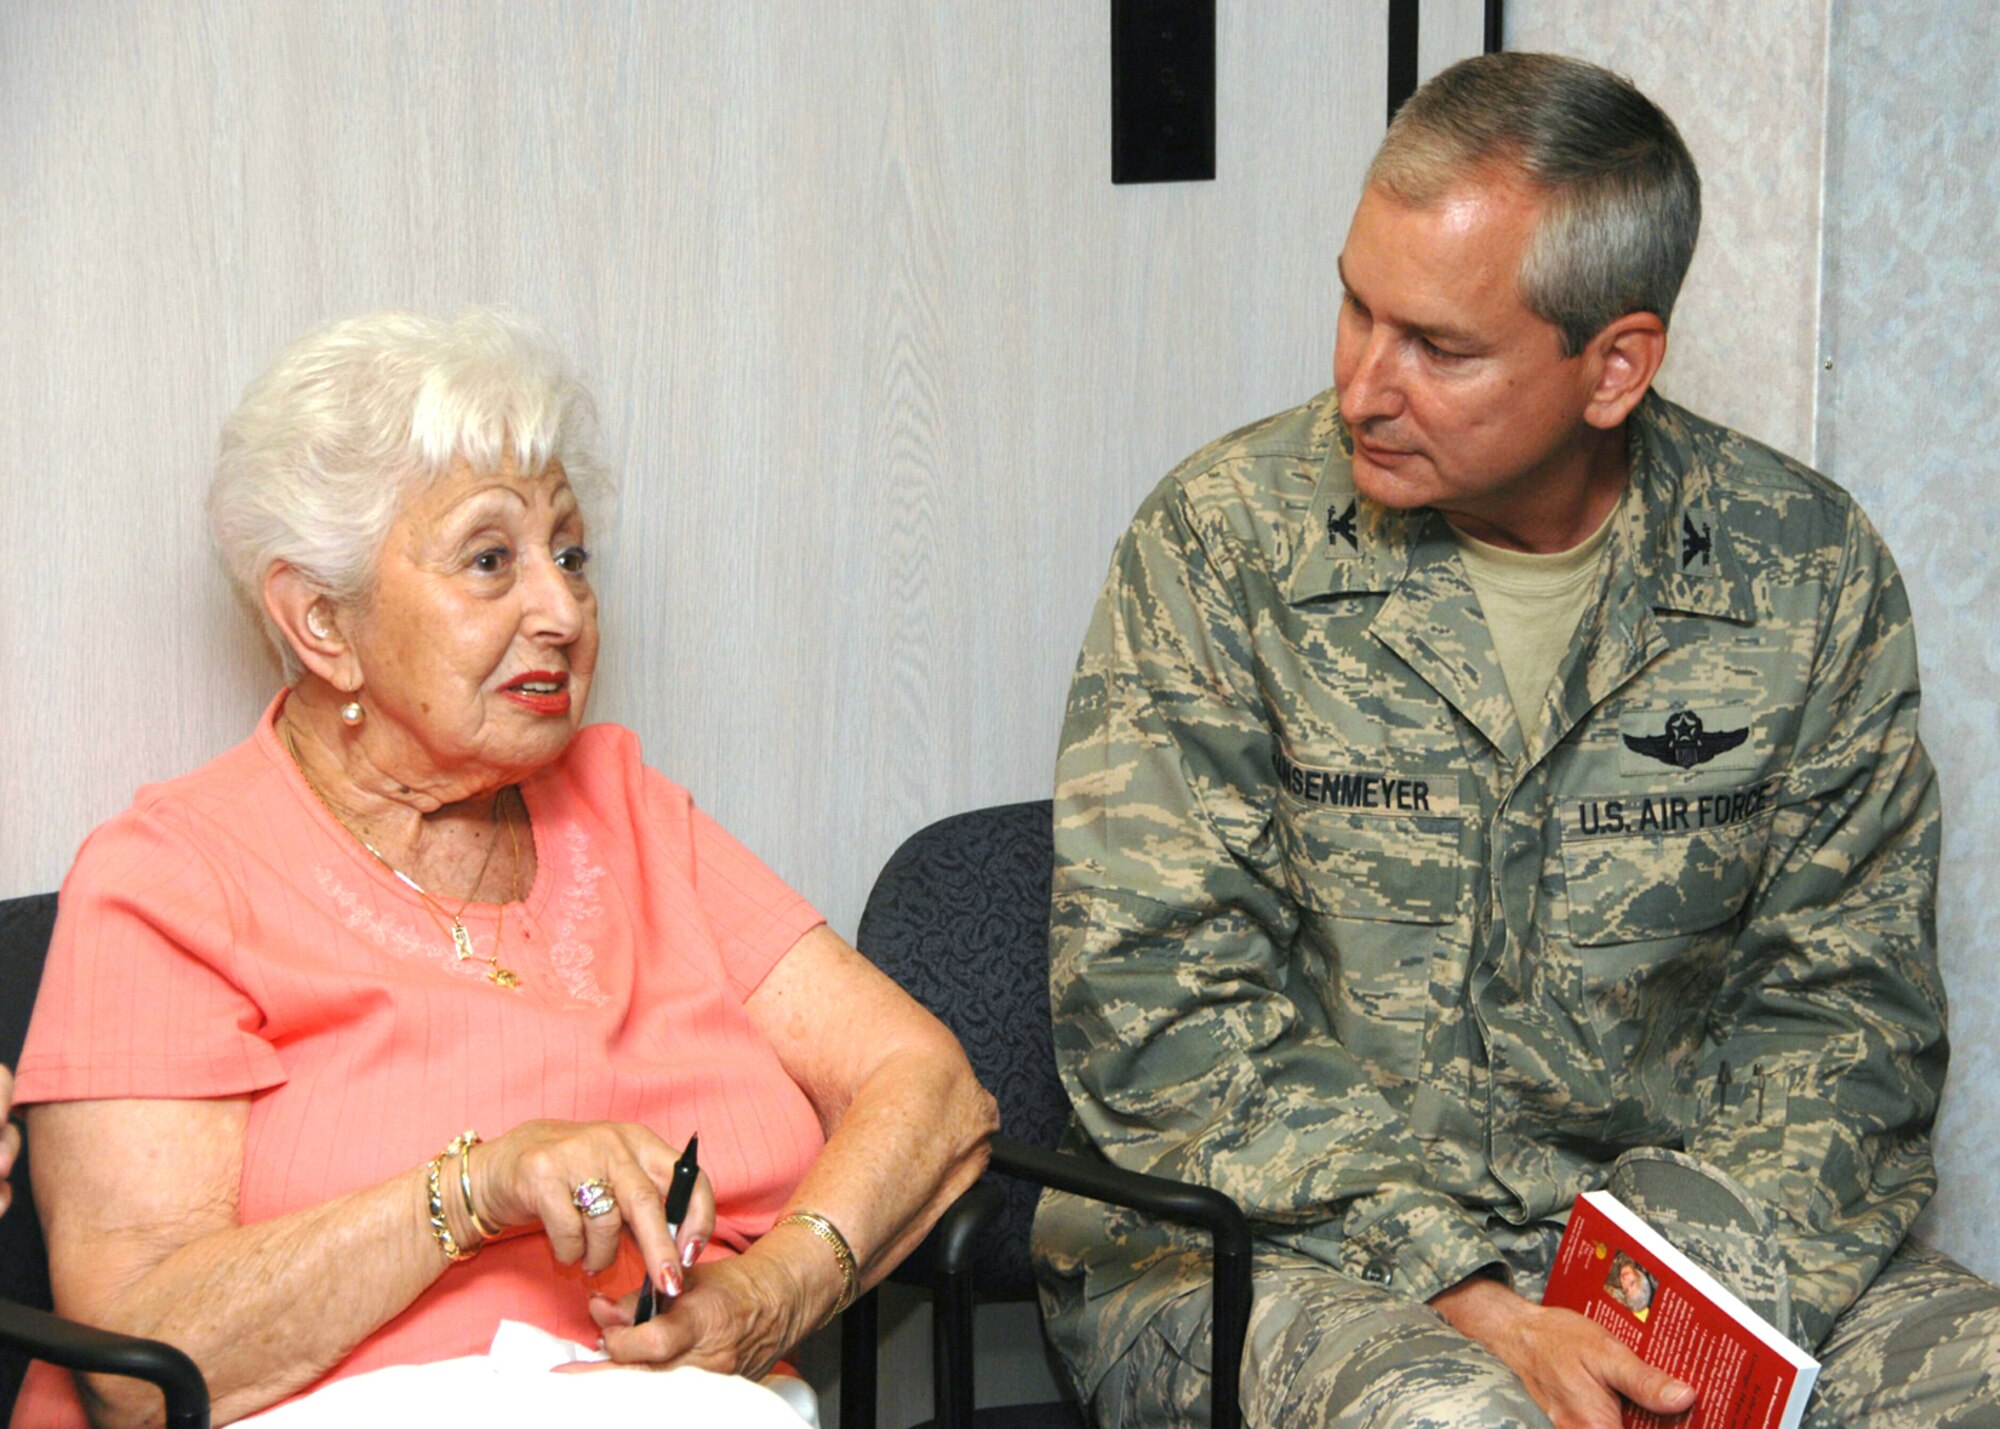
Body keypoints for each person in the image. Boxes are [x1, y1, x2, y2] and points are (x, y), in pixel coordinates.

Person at [1035, 51, 2000, 1428]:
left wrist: (1661, 1317)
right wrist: (1479, 1306)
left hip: (1675, 1247)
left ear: (1614, 367)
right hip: (1273, 1250)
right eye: (1355, 308)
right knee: (1466, 1420)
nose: (1365, 385)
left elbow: (1850, 1014)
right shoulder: (1222, 544)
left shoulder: (1804, 571)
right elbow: (1159, 1010)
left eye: (1438, 347)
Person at [11, 308, 997, 1427]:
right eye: (492, 560)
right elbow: (142, 1361)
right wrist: (471, 1189)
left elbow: (928, 1085)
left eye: (569, 555)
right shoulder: (170, 879)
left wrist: (779, 1288)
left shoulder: (622, 804)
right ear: (322, 620)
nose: (565, 609)